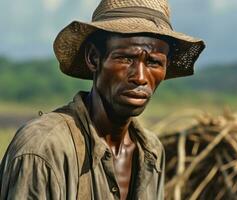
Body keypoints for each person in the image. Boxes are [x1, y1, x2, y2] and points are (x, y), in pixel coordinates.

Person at [0, 0, 205, 199]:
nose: (140, 77)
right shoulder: (44, 147)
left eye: (154, 62)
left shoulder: (151, 152)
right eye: (126, 58)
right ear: (93, 58)